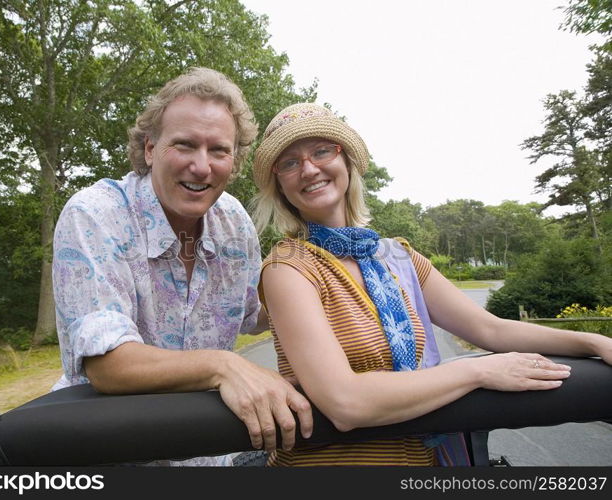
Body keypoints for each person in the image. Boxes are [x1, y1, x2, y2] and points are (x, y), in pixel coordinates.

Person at [251, 102, 612, 466]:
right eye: (290, 162)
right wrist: (478, 371)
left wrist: (592, 341)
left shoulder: (398, 257)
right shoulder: (288, 268)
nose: (309, 168)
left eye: (321, 151)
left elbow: (491, 329)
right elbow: (345, 402)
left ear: (347, 161)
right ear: (280, 185)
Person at [51, 68, 312, 466]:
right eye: (185, 145)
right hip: (111, 454)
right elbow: (109, 366)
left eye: (219, 151)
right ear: (151, 148)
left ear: (234, 159)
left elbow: (252, 314)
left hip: (208, 453)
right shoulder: (96, 214)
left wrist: (323, 284)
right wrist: (222, 366)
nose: (202, 167)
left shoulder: (233, 221)